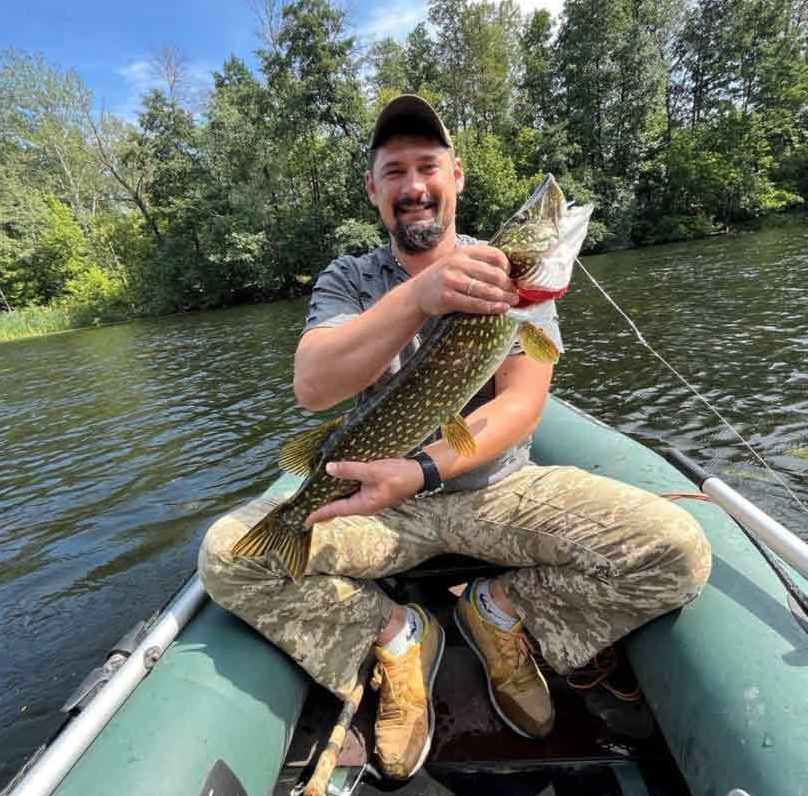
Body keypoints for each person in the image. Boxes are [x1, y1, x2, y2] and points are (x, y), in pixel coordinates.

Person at [199, 94, 712, 781]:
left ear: (457, 177)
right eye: (395, 172)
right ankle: (397, 634)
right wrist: (418, 297)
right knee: (229, 556)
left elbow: (523, 403)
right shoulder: (351, 280)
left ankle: (498, 611)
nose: (414, 186)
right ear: (373, 190)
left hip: (500, 491)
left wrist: (422, 471)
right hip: (380, 507)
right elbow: (313, 387)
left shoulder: (508, 278)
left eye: (428, 167)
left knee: (677, 550)